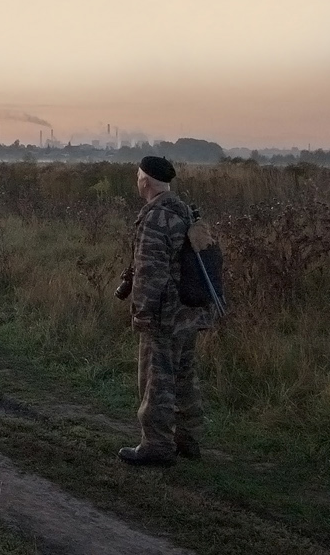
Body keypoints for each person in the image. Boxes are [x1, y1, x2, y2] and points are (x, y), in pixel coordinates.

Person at [118, 156, 211, 466]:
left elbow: (149, 272)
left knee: (157, 380)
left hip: (165, 314)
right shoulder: (185, 212)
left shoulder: (156, 218)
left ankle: (157, 446)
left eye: (138, 176)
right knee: (185, 378)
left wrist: (141, 313)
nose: (136, 181)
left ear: (146, 181)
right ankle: (188, 441)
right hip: (189, 312)